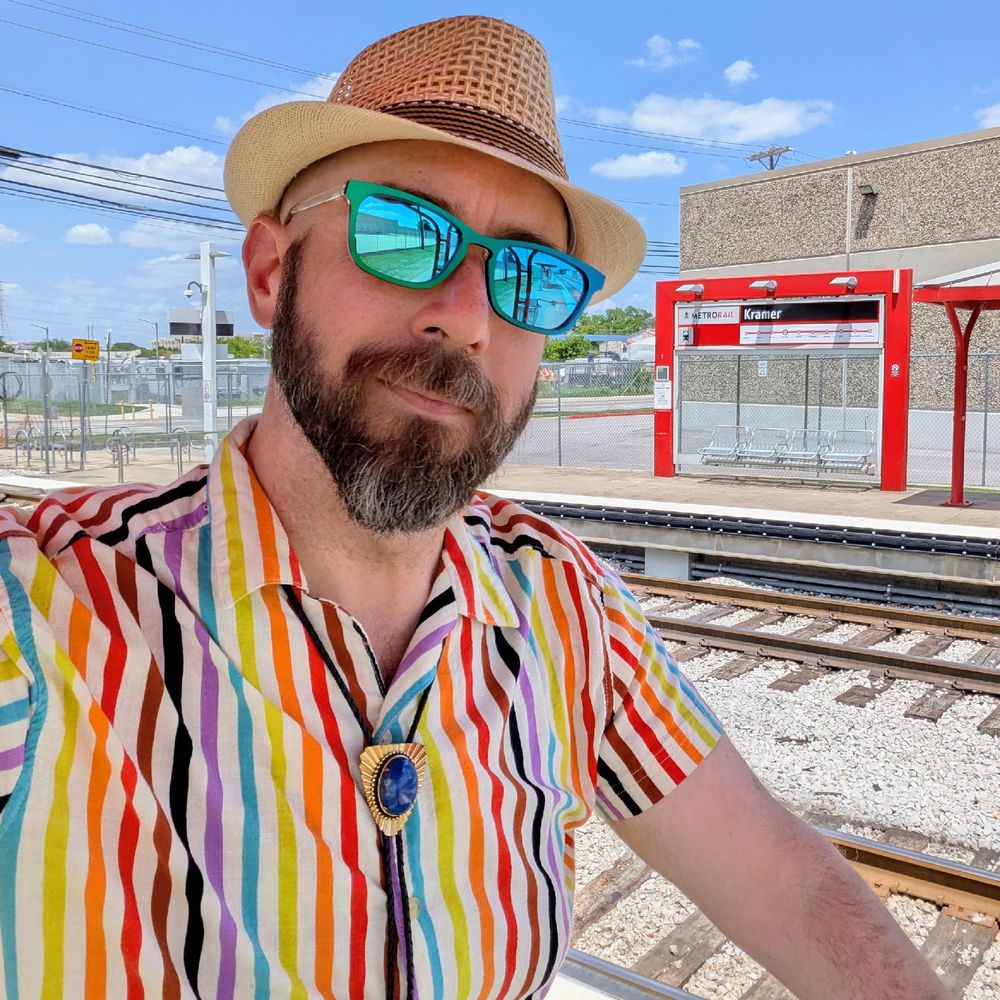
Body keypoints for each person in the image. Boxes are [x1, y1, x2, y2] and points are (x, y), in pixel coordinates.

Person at [0, 15, 946, 1000]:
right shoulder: (46, 604)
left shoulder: (568, 607)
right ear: (272, 272)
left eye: (529, 274)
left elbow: (786, 881)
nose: (467, 310)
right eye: (403, 231)